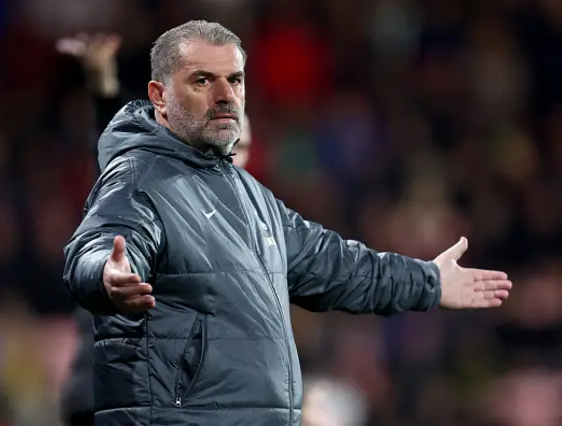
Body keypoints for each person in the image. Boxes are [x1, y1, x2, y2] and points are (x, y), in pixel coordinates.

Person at [62, 20, 512, 426]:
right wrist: (106, 274)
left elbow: (339, 267)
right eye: (203, 80)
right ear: (159, 97)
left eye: (234, 80)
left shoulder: (252, 198)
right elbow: (99, 245)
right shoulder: (141, 176)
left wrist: (430, 280)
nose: (224, 95)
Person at [55, 32, 253, 426]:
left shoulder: (247, 229)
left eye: (242, 146)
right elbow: (118, 148)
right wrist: (104, 87)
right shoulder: (150, 183)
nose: (232, 152)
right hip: (112, 393)